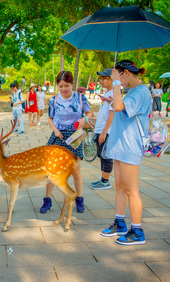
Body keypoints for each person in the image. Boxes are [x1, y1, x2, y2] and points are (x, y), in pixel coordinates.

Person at [101, 60, 151, 246]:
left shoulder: (141, 92)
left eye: (118, 75)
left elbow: (121, 107)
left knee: (131, 190)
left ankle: (137, 231)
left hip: (130, 146)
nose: (118, 79)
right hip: (121, 145)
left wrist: (115, 84)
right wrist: (112, 98)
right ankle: (120, 222)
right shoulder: (132, 91)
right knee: (120, 186)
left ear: (127, 73)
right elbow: (120, 106)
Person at [40, 71, 92, 214]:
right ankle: (47, 200)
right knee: (52, 170)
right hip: (59, 135)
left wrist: (84, 120)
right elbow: (50, 118)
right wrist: (55, 130)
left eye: (67, 86)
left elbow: (89, 113)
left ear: (72, 84)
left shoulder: (80, 98)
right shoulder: (54, 100)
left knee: (76, 170)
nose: (64, 89)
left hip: (76, 134)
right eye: (61, 86)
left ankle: (79, 199)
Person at [91, 68, 114, 190]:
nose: (101, 81)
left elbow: (112, 115)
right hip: (100, 130)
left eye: (104, 79)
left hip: (106, 131)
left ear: (112, 80)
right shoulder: (106, 94)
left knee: (106, 155)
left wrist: (104, 132)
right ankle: (102, 179)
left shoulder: (114, 95)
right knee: (101, 155)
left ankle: (106, 181)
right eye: (101, 79)